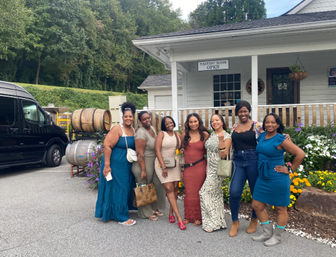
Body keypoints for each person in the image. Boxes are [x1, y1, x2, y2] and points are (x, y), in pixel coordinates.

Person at [251, 113, 305, 247]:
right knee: (257, 205)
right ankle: (267, 232)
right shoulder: (262, 136)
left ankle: (278, 236)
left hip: (277, 177)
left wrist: (290, 169)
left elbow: (300, 154)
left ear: (278, 124)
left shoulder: (281, 139)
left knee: (280, 208)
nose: (270, 125)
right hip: (262, 176)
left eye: (273, 122)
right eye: (267, 122)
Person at [95, 102, 137, 226]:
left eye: (130, 116)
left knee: (125, 187)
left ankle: (120, 209)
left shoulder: (133, 129)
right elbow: (107, 145)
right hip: (115, 163)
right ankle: (121, 216)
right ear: (122, 117)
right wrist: (107, 165)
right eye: (126, 116)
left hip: (126, 165)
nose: (128, 118)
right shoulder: (118, 129)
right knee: (120, 188)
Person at [229, 100, 263, 237]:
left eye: (245, 111)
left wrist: (283, 137)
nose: (243, 113)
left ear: (249, 112)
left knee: (255, 193)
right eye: (240, 111)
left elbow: (269, 137)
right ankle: (235, 222)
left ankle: (254, 219)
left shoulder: (257, 126)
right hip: (238, 161)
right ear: (237, 113)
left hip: (253, 160)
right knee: (234, 192)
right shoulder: (234, 127)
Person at [199, 114, 231, 233]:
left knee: (203, 192)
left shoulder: (227, 136)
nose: (214, 122)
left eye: (217, 120)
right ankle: (219, 222)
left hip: (218, 170)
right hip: (209, 168)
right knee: (216, 195)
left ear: (222, 122)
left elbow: (223, 155)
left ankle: (212, 221)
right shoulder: (211, 135)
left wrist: (221, 140)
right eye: (212, 121)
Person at [132, 111, 166, 221]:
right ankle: (145, 213)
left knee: (152, 184)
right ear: (140, 121)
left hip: (152, 161)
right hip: (143, 162)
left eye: (148, 118)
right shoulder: (141, 133)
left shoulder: (151, 128)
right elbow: (139, 153)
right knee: (144, 186)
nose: (147, 120)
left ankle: (152, 208)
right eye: (144, 119)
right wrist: (143, 170)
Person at [155, 116, 186, 230]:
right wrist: (163, 166)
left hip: (174, 164)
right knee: (169, 189)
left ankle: (171, 213)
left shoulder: (177, 135)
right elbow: (157, 150)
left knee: (175, 189)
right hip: (162, 164)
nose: (169, 124)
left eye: (171, 122)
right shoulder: (161, 134)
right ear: (164, 125)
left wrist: (182, 150)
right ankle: (179, 218)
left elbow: (181, 147)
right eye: (167, 123)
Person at [181, 113, 209, 226]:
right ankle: (188, 216)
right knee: (188, 192)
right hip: (188, 168)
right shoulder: (184, 134)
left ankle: (199, 217)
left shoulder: (205, 134)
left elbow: (209, 150)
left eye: (195, 121)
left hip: (200, 166)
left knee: (198, 192)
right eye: (191, 122)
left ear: (199, 122)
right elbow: (180, 148)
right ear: (188, 123)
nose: (193, 124)